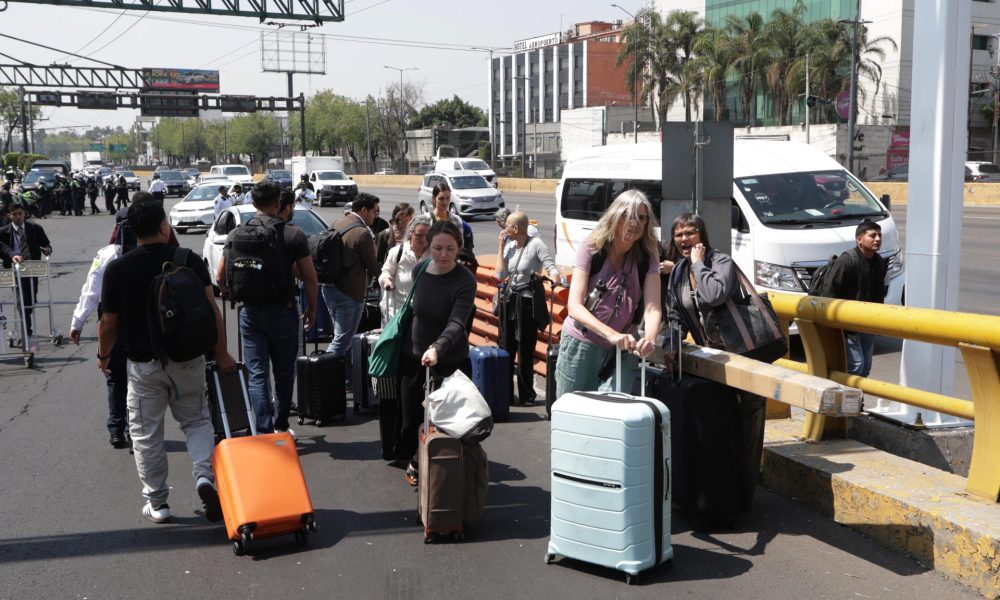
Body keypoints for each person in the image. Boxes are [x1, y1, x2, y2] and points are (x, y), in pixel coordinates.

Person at [97, 199, 234, 524]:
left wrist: (104, 356)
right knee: (198, 420)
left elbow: (109, 321)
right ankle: (204, 476)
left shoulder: (119, 268)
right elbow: (212, 311)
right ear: (163, 226)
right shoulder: (187, 260)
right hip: (188, 358)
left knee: (146, 435)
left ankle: (158, 503)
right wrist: (222, 352)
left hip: (144, 365)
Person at [216, 182, 319, 435]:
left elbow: (219, 276)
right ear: (277, 204)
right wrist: (313, 308)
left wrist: (232, 292)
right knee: (284, 373)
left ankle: (262, 432)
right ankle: (281, 426)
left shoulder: (236, 234)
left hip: (249, 313)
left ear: (253, 203)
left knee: (257, 374)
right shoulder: (293, 234)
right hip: (283, 312)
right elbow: (310, 277)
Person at [553, 190, 661, 399]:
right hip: (582, 343)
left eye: (641, 217)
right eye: (627, 216)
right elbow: (574, 306)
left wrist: (649, 338)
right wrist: (611, 334)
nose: (634, 223)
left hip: (624, 349)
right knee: (573, 412)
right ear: (614, 216)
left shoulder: (648, 255)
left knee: (612, 413)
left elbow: (652, 307)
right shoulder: (592, 246)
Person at [397, 220, 477, 486]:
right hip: (414, 358)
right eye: (438, 248)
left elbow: (457, 323)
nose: (443, 255)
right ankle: (417, 458)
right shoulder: (420, 269)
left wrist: (437, 348)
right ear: (428, 246)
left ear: (459, 248)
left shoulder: (465, 280)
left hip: (450, 362)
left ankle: (437, 471)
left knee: (448, 425)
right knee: (411, 422)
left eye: (450, 249)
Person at [69, 208, 142, 448]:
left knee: (114, 376)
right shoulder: (148, 251)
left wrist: (77, 322)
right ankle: (136, 431)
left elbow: (90, 291)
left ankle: (117, 429)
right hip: (142, 322)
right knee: (140, 378)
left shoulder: (106, 254)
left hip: (111, 323)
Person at [495, 211, 563, 405]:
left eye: (507, 225)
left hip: (527, 302)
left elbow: (550, 266)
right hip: (510, 301)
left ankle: (526, 395)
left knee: (525, 349)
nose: (504, 228)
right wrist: (500, 246)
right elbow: (500, 274)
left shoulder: (536, 245)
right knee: (506, 346)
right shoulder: (508, 246)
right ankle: (505, 394)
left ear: (516, 228)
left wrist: (555, 276)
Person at [811, 219, 888, 377]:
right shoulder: (847, 261)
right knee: (855, 366)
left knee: (865, 367)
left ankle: (856, 401)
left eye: (879, 235)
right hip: (847, 326)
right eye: (872, 236)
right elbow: (829, 292)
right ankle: (846, 400)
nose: (878, 239)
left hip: (868, 323)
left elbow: (879, 293)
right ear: (859, 239)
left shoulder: (879, 262)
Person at [321, 192, 379, 359]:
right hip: (349, 293)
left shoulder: (338, 223)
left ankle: (346, 381)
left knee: (340, 338)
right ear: (363, 210)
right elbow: (373, 267)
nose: (376, 215)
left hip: (329, 288)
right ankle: (321, 372)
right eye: (374, 211)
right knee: (342, 342)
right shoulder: (362, 233)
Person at [0, 202, 52, 338]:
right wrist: (12, 255)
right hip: (14, 269)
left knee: (31, 299)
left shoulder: (35, 228)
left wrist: (47, 249)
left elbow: (46, 244)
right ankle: (26, 332)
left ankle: (26, 320)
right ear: (9, 216)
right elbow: (2, 248)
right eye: (14, 214)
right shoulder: (3, 232)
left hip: (32, 268)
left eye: (20, 213)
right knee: (21, 299)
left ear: (24, 214)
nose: (18, 217)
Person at [379, 214, 431, 320]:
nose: (424, 239)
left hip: (422, 313)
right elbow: (386, 272)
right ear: (411, 233)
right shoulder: (397, 252)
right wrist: (387, 281)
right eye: (419, 235)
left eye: (427, 235)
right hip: (396, 312)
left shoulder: (433, 255)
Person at [423, 182, 471, 249]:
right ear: (434, 199)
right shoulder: (425, 220)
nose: (445, 202)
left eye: (448, 198)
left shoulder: (456, 220)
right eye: (441, 199)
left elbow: (460, 246)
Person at [376, 203, 415, 269]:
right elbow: (378, 260)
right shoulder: (385, 234)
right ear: (399, 216)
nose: (411, 217)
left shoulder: (413, 233)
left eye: (411, 214)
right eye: (408, 215)